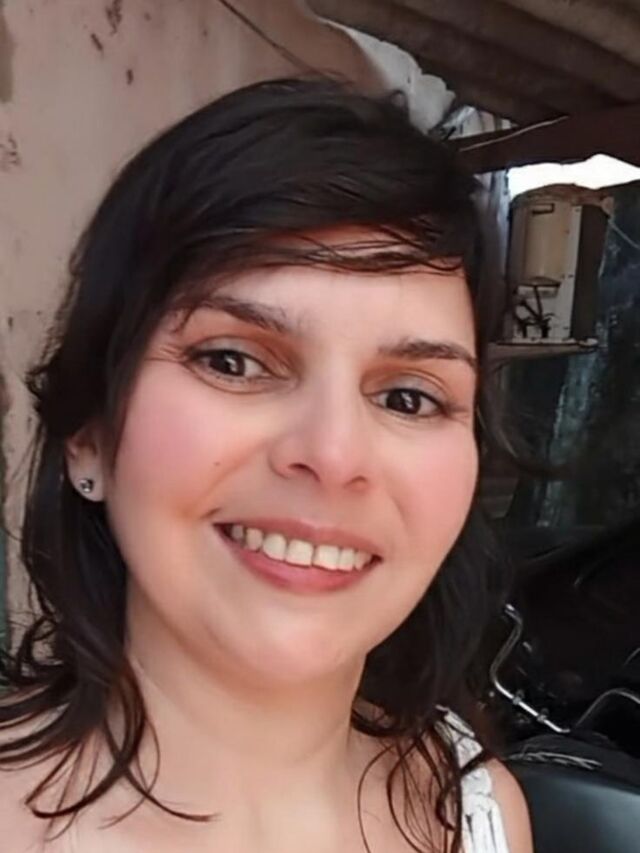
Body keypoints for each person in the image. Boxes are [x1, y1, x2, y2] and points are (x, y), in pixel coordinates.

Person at [0, 78, 532, 853]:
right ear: (91, 433)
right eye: (234, 360)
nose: (334, 454)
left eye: (409, 397)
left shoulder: (476, 811)